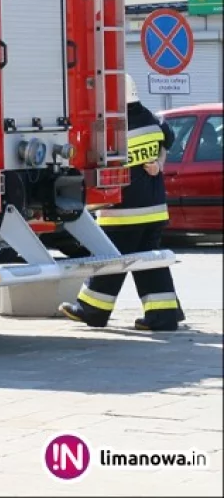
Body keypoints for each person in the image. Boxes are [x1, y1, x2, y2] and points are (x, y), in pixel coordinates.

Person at [60, 73, 185, 331]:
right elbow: (167, 143)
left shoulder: (114, 127)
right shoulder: (152, 120)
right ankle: (165, 314)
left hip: (124, 211)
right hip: (153, 209)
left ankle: (92, 310)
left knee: (110, 259)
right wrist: (159, 163)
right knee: (149, 261)